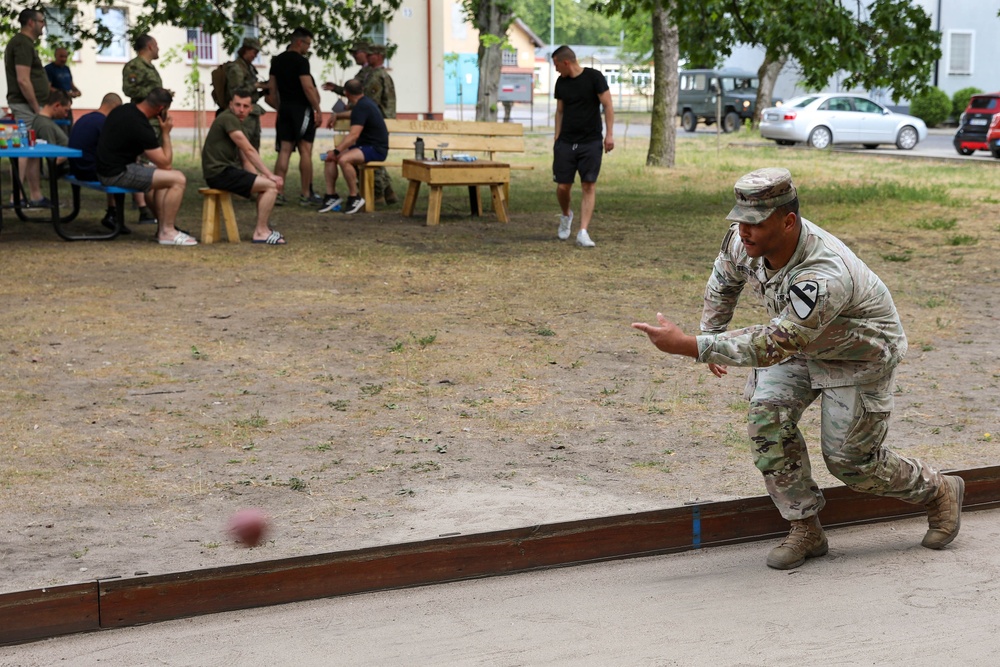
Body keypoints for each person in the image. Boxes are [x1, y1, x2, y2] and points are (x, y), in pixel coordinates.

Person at [631, 167, 964, 570]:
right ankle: (805, 528)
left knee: (851, 463)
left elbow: (775, 343)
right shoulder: (744, 242)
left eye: (753, 223)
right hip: (801, 345)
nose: (743, 231)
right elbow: (724, 277)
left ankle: (938, 490)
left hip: (857, 357)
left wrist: (692, 346)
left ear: (788, 221)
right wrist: (712, 331)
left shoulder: (824, 274)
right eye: (738, 220)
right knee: (766, 418)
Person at [96, 87, 193, 246]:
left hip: (105, 169)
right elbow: (166, 163)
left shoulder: (123, 110)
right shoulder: (141, 125)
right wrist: (166, 133)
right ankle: (168, 231)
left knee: (162, 179)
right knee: (177, 179)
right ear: (161, 109)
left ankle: (162, 229)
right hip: (116, 173)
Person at [202, 88, 286, 245]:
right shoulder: (229, 118)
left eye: (245, 106)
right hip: (219, 174)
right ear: (230, 105)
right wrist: (269, 174)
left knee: (266, 185)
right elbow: (249, 149)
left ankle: (263, 230)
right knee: (271, 186)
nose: (241, 110)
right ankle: (261, 232)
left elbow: (245, 158)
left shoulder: (235, 122)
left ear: (251, 108)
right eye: (238, 105)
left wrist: (256, 176)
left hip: (222, 172)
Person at [551, 45, 614, 248]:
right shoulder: (561, 82)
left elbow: (608, 105)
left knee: (588, 185)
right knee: (563, 186)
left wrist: (609, 135)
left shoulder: (594, 77)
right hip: (566, 142)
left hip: (591, 141)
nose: (556, 69)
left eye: (556, 64)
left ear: (566, 62)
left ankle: (583, 231)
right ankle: (566, 215)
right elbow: (559, 111)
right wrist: (556, 137)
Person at [266, 27, 323, 208]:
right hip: (302, 110)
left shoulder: (277, 61)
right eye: (307, 44)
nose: (308, 48)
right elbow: (308, 87)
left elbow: (271, 90)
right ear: (299, 42)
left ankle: (278, 193)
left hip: (284, 110)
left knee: (284, 151)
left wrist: (280, 108)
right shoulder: (301, 62)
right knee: (305, 151)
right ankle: (306, 194)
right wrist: (318, 109)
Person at [318, 79, 387, 215]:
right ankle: (331, 196)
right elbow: (354, 114)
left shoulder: (363, 106)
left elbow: (353, 135)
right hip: (365, 146)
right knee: (329, 157)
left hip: (376, 149)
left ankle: (355, 197)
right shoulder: (364, 103)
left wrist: (337, 150)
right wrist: (337, 115)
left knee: (344, 159)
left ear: (346, 93)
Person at [4, 8, 50, 206]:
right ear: (31, 22)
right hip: (26, 105)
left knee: (32, 148)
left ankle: (35, 195)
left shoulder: (25, 44)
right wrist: (35, 107)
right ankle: (18, 195)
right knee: (24, 148)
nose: (43, 25)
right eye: (41, 21)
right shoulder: (22, 43)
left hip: (29, 105)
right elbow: (23, 80)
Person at [68, 92, 132, 233]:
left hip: (76, 168)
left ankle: (112, 212)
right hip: (89, 171)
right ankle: (116, 216)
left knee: (111, 165)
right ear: (115, 108)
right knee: (119, 171)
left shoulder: (85, 118)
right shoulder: (104, 123)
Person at [120, 33, 161, 224]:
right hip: (142, 120)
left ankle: (153, 206)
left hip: (154, 119)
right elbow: (130, 90)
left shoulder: (150, 68)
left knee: (154, 163)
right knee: (143, 164)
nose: (158, 49)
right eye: (157, 45)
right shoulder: (135, 66)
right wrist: (156, 94)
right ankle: (144, 208)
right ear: (150, 45)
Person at [361, 44, 396, 204]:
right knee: (377, 158)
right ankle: (388, 192)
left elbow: (369, 102)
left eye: (371, 54)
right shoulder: (376, 74)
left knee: (373, 158)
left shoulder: (376, 76)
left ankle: (378, 194)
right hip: (381, 122)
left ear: (380, 56)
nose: (367, 57)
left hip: (376, 123)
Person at [221, 37, 269, 152]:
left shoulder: (249, 68)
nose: (255, 56)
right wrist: (256, 85)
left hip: (251, 112)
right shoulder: (236, 68)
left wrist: (264, 90)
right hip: (241, 114)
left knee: (253, 147)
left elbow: (250, 96)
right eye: (254, 52)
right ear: (246, 50)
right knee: (243, 149)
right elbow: (235, 92)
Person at [30, 88, 72, 176]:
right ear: (57, 106)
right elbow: (52, 157)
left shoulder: (39, 120)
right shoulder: (46, 126)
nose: (66, 115)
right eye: (66, 110)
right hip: (64, 166)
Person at [44, 46, 82, 123]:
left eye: (65, 57)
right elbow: (48, 87)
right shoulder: (49, 69)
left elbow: (71, 84)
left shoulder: (66, 69)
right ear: (55, 56)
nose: (63, 59)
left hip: (67, 104)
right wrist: (63, 93)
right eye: (61, 56)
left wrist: (77, 91)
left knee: (69, 126)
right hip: (56, 105)